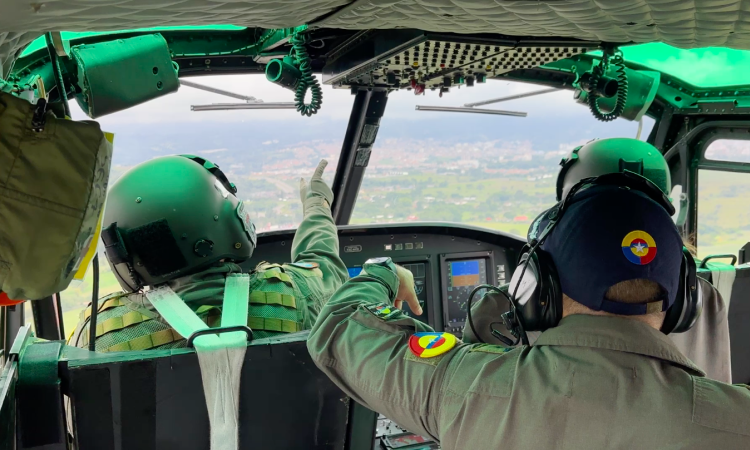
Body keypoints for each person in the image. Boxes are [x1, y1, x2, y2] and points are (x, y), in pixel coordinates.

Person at [307, 184, 750, 449]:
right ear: (684, 298)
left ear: (536, 288)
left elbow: (340, 325)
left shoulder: (463, 387)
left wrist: (382, 272)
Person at [70, 155, 347, 351]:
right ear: (228, 223)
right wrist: (316, 204)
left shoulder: (96, 336)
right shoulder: (295, 296)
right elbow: (325, 266)